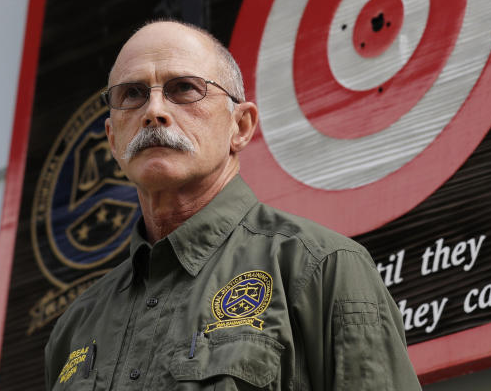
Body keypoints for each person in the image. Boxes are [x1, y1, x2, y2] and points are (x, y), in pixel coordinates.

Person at [44, 20, 421, 390]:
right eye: (132, 94)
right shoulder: (76, 327)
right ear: (112, 140)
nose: (153, 111)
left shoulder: (322, 267)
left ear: (240, 127)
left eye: (184, 89)